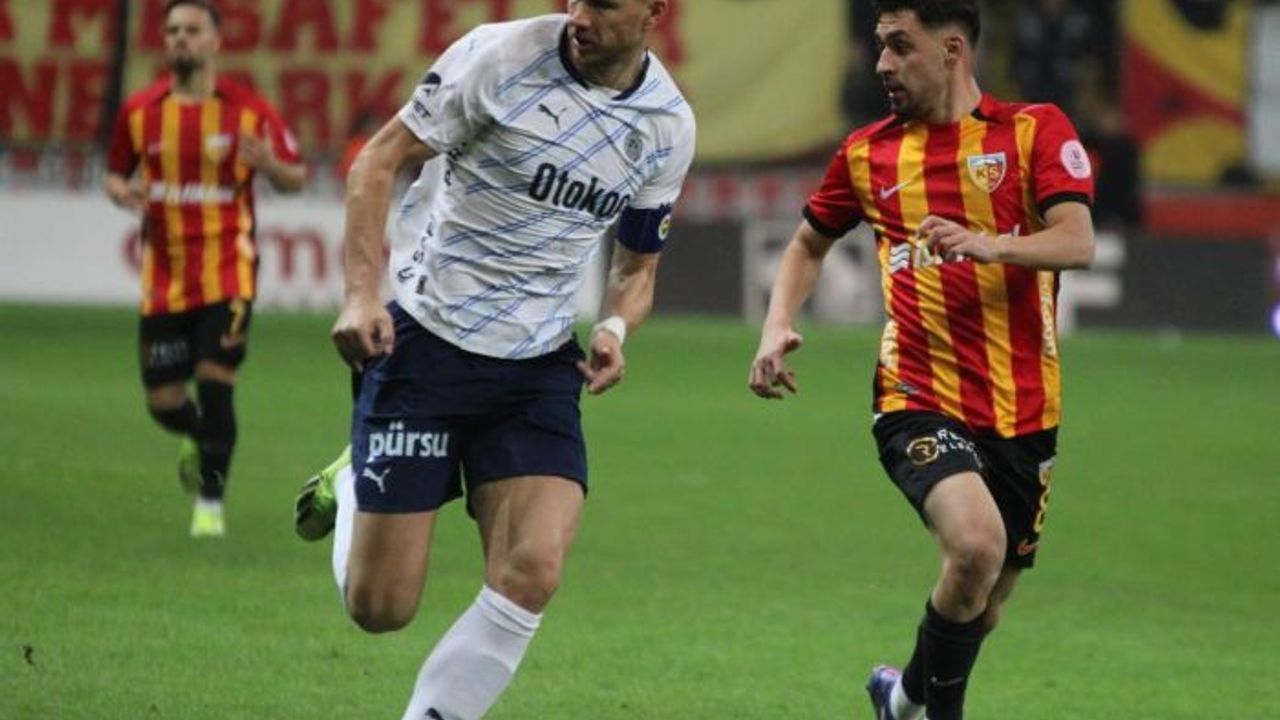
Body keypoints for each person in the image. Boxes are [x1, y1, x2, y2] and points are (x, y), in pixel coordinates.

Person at [292, 2, 694, 718]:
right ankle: (354, 481)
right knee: (380, 608)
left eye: (604, 2)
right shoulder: (498, 58)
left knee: (533, 569)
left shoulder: (666, 124)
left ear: (655, 11)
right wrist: (360, 297)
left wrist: (613, 327)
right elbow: (377, 162)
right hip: (425, 341)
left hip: (538, 365)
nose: (580, 14)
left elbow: (637, 268)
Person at [748, 2, 1094, 719]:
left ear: (952, 50)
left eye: (900, 46)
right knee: (975, 547)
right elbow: (808, 243)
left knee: (982, 603)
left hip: (1025, 407)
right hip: (917, 394)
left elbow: (1076, 241)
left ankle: (899, 701)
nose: (883, 64)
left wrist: (991, 243)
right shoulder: (867, 154)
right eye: (880, 46)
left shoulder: (1033, 131)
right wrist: (776, 326)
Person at [104, 0, 305, 538]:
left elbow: (296, 177)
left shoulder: (249, 110)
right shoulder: (140, 111)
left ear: (215, 41)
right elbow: (114, 173)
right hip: (164, 280)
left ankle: (210, 503)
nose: (180, 39)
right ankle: (200, 436)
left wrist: (270, 165)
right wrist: (123, 192)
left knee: (216, 384)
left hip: (228, 273)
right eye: (172, 30)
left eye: (191, 30)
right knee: (164, 403)